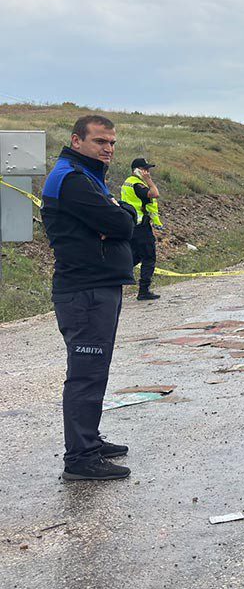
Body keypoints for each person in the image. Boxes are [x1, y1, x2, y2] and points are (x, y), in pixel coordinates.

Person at [40, 115, 137, 481]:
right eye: (100, 141)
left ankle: (89, 440)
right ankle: (80, 458)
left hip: (98, 287)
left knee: (95, 371)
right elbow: (122, 224)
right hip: (85, 291)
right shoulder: (73, 179)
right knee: (86, 374)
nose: (108, 149)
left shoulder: (86, 175)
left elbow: (118, 221)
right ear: (76, 141)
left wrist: (117, 213)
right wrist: (119, 214)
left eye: (111, 143)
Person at [120, 157, 162, 300]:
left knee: (136, 256)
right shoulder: (137, 184)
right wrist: (149, 181)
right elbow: (155, 193)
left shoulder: (128, 182)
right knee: (149, 257)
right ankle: (144, 290)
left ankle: (113, 277)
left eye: (148, 170)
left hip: (131, 225)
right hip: (141, 227)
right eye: (145, 169)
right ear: (136, 170)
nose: (147, 172)